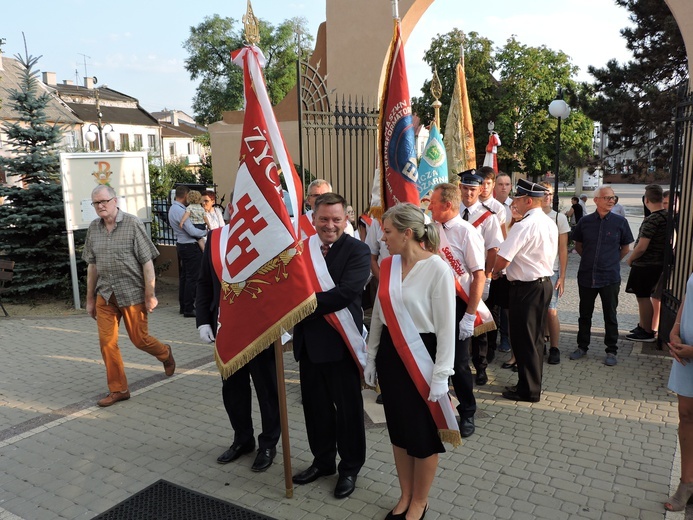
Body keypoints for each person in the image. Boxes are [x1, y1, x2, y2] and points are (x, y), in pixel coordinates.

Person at [365, 202, 459, 520]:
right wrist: (371, 356)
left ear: (407, 234)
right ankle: (405, 495)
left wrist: (441, 375)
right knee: (399, 432)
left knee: (422, 434)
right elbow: (379, 313)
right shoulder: (389, 266)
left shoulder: (437, 269)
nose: (382, 238)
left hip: (424, 356)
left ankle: (420, 500)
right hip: (393, 356)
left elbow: (447, 328)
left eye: (387, 232)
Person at [292, 193, 371, 499]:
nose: (330, 225)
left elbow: (346, 293)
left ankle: (349, 468)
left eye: (337, 219)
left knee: (348, 412)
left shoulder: (358, 251)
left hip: (341, 345)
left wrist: (297, 304)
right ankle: (323, 461)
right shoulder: (303, 248)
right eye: (323, 219)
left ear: (345, 219)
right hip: (309, 345)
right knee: (315, 409)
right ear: (313, 218)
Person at [195, 221, 280, 473]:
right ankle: (243, 439)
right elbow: (204, 282)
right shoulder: (216, 238)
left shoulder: (269, 237)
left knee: (267, 389)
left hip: (259, 329)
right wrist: (202, 321)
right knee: (233, 389)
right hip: (225, 328)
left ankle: (268, 443)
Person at [83, 185, 175, 407]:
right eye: (96, 203)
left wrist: (150, 294)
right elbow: (92, 266)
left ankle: (164, 353)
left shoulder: (132, 224)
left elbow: (147, 261)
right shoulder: (94, 228)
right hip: (105, 294)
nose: (100, 206)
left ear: (115, 200)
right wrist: (89, 299)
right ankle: (119, 389)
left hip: (132, 293)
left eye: (104, 201)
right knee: (107, 343)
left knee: (139, 339)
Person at [429, 183, 487, 438]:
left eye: (433, 202)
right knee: (433, 357)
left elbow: (478, 276)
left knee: (459, 363)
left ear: (447, 205)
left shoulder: (467, 233)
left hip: (459, 304)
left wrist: (469, 315)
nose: (429, 206)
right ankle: (439, 407)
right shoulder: (431, 230)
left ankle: (468, 411)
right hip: (433, 304)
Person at [492, 179, 557, 403]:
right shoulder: (548, 222)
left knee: (524, 340)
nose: (514, 202)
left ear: (528, 200)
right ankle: (529, 384)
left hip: (526, 288)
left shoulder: (523, 225)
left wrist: (494, 272)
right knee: (535, 338)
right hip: (542, 284)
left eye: (517, 199)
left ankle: (528, 390)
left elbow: (503, 258)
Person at [569, 185, 634, 366]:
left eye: (613, 197)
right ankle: (582, 346)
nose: (611, 200)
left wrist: (611, 261)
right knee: (584, 314)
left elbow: (626, 248)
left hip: (609, 277)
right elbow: (579, 245)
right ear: (596, 200)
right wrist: (590, 259)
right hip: (587, 275)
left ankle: (611, 350)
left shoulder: (620, 222)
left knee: (610, 315)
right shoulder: (585, 222)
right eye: (607, 197)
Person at [459, 170, 504, 385]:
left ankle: (481, 366)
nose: (468, 193)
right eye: (465, 188)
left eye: (473, 189)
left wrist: (486, 276)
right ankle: (457, 365)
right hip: (455, 279)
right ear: (460, 188)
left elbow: (493, 249)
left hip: (476, 278)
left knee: (478, 324)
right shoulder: (452, 212)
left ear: (479, 191)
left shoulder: (488, 217)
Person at [664, 271, 693, 511]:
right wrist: (675, 329)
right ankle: (687, 483)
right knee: (686, 415)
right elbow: (688, 296)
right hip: (686, 354)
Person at [625, 184, 668, 342]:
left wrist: (630, 259)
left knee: (643, 297)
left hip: (646, 264)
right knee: (644, 297)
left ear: (646, 200)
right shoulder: (667, 216)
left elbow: (642, 247)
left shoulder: (652, 219)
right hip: (658, 263)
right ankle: (643, 326)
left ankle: (647, 331)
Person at [539, 182, 570, 365]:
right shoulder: (529, 216)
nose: (547, 196)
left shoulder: (558, 218)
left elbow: (563, 249)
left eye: (549, 193)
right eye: (543, 193)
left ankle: (555, 347)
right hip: (534, 271)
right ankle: (541, 341)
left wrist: (563, 276)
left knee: (551, 310)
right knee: (538, 310)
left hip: (552, 270)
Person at [168, 185, 207, 317]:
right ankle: (189, 308)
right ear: (185, 196)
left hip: (182, 244)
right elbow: (191, 230)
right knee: (193, 277)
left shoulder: (175, 208)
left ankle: (184, 306)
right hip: (190, 246)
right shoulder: (180, 211)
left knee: (185, 277)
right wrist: (205, 231)